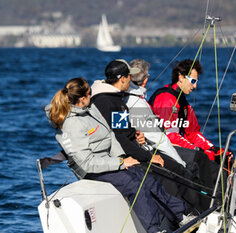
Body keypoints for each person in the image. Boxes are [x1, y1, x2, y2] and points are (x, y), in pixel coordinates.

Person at [45, 77, 190, 233]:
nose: (92, 96)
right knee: (134, 185)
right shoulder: (71, 124)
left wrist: (122, 158)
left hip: (110, 160)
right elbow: (87, 163)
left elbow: (110, 135)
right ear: (82, 98)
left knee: (146, 177)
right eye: (90, 93)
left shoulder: (90, 108)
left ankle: (180, 215)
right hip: (92, 170)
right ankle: (154, 230)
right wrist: (120, 164)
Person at [91, 59, 224, 213]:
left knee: (182, 168)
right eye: (128, 76)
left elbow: (122, 132)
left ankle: (203, 208)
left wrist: (136, 135)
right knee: (179, 171)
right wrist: (148, 156)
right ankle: (200, 211)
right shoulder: (117, 102)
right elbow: (124, 137)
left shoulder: (113, 98)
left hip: (131, 150)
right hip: (124, 157)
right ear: (123, 79)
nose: (130, 80)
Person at [148, 59, 227, 162]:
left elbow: (193, 133)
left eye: (196, 82)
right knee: (203, 159)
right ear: (181, 77)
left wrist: (212, 149)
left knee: (223, 158)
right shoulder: (166, 99)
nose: (195, 86)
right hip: (159, 151)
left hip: (173, 147)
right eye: (193, 81)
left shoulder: (184, 104)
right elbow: (171, 135)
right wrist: (199, 150)